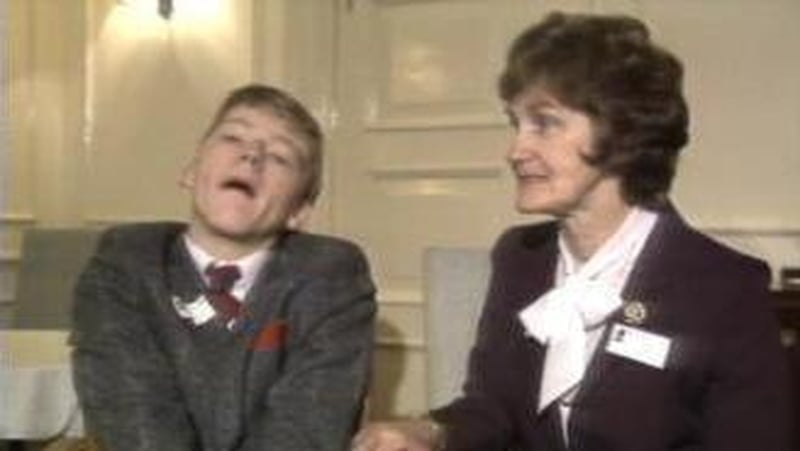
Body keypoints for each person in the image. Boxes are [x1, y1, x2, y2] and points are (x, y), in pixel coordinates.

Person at [352, 11, 791, 451]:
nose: (516, 151)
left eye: (545, 123)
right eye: (516, 124)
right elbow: (493, 408)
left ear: (623, 134)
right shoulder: (520, 256)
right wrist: (427, 431)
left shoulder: (723, 286)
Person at [71, 84, 377, 450]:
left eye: (280, 156)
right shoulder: (125, 262)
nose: (252, 156)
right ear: (190, 170)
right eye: (233, 137)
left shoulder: (333, 275)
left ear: (299, 211)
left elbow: (305, 428)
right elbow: (134, 416)